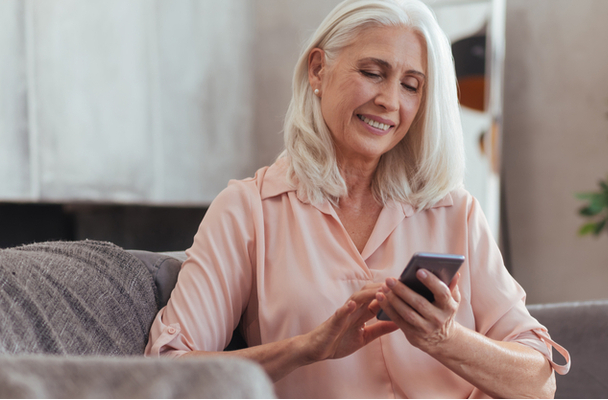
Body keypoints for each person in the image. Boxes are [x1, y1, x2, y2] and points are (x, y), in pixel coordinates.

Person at [145, 0, 569, 397]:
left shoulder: (454, 211)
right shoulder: (248, 211)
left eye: (411, 85)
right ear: (317, 69)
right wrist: (309, 348)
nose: (389, 101)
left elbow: (538, 382)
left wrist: (444, 338)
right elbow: (168, 374)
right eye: (372, 72)